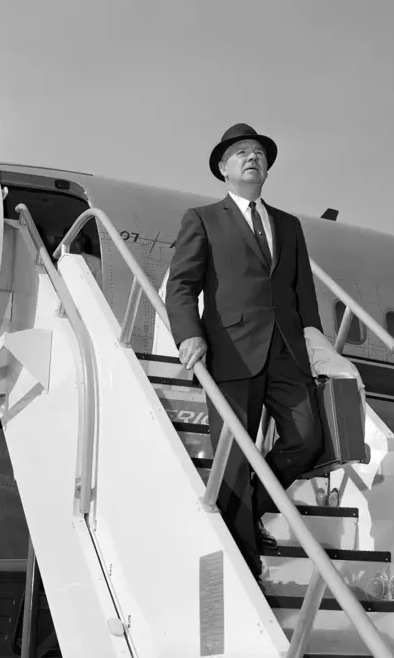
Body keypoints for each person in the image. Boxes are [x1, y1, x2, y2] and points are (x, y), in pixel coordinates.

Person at [165, 123, 324, 589]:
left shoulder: (289, 225)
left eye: (258, 152)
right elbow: (181, 286)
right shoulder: (202, 218)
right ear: (223, 168)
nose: (252, 158)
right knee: (233, 455)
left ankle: (249, 507)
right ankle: (244, 567)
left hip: (286, 353)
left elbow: (304, 295)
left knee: (306, 438)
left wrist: (316, 345)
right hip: (231, 352)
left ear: (267, 167)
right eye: (241, 153)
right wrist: (188, 335)